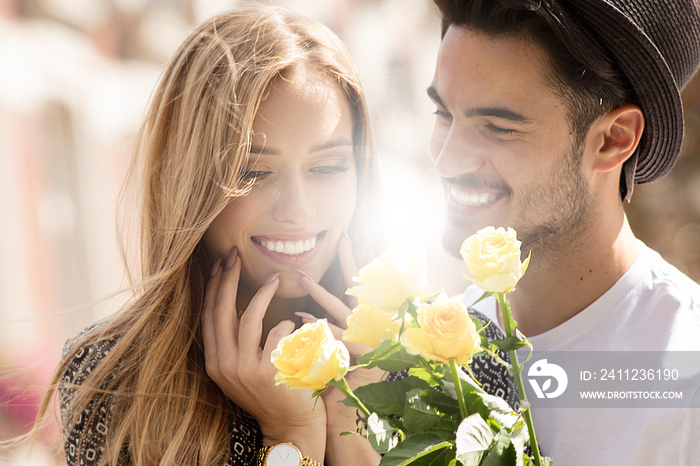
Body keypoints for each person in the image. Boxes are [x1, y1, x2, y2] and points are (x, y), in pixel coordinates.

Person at [33, 6, 388, 465]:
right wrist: (290, 435)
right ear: (191, 180)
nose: (297, 209)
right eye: (253, 171)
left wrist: (351, 421)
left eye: (328, 167)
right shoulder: (114, 378)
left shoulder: (447, 359)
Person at [427, 0, 700, 464]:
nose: (447, 160)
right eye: (443, 114)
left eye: (497, 127)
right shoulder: (434, 341)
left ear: (613, 139)